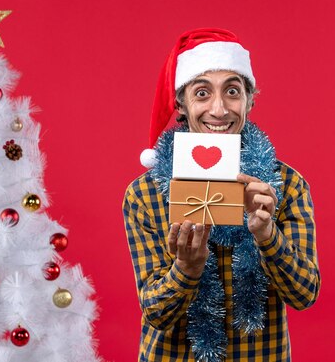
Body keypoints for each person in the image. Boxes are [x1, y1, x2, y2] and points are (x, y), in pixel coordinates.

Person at [123, 28, 320, 362]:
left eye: (232, 91)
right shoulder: (145, 193)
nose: (219, 109)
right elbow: (156, 314)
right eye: (202, 93)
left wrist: (267, 234)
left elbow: (304, 294)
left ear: (250, 99)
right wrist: (186, 268)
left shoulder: (284, 184)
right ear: (181, 105)